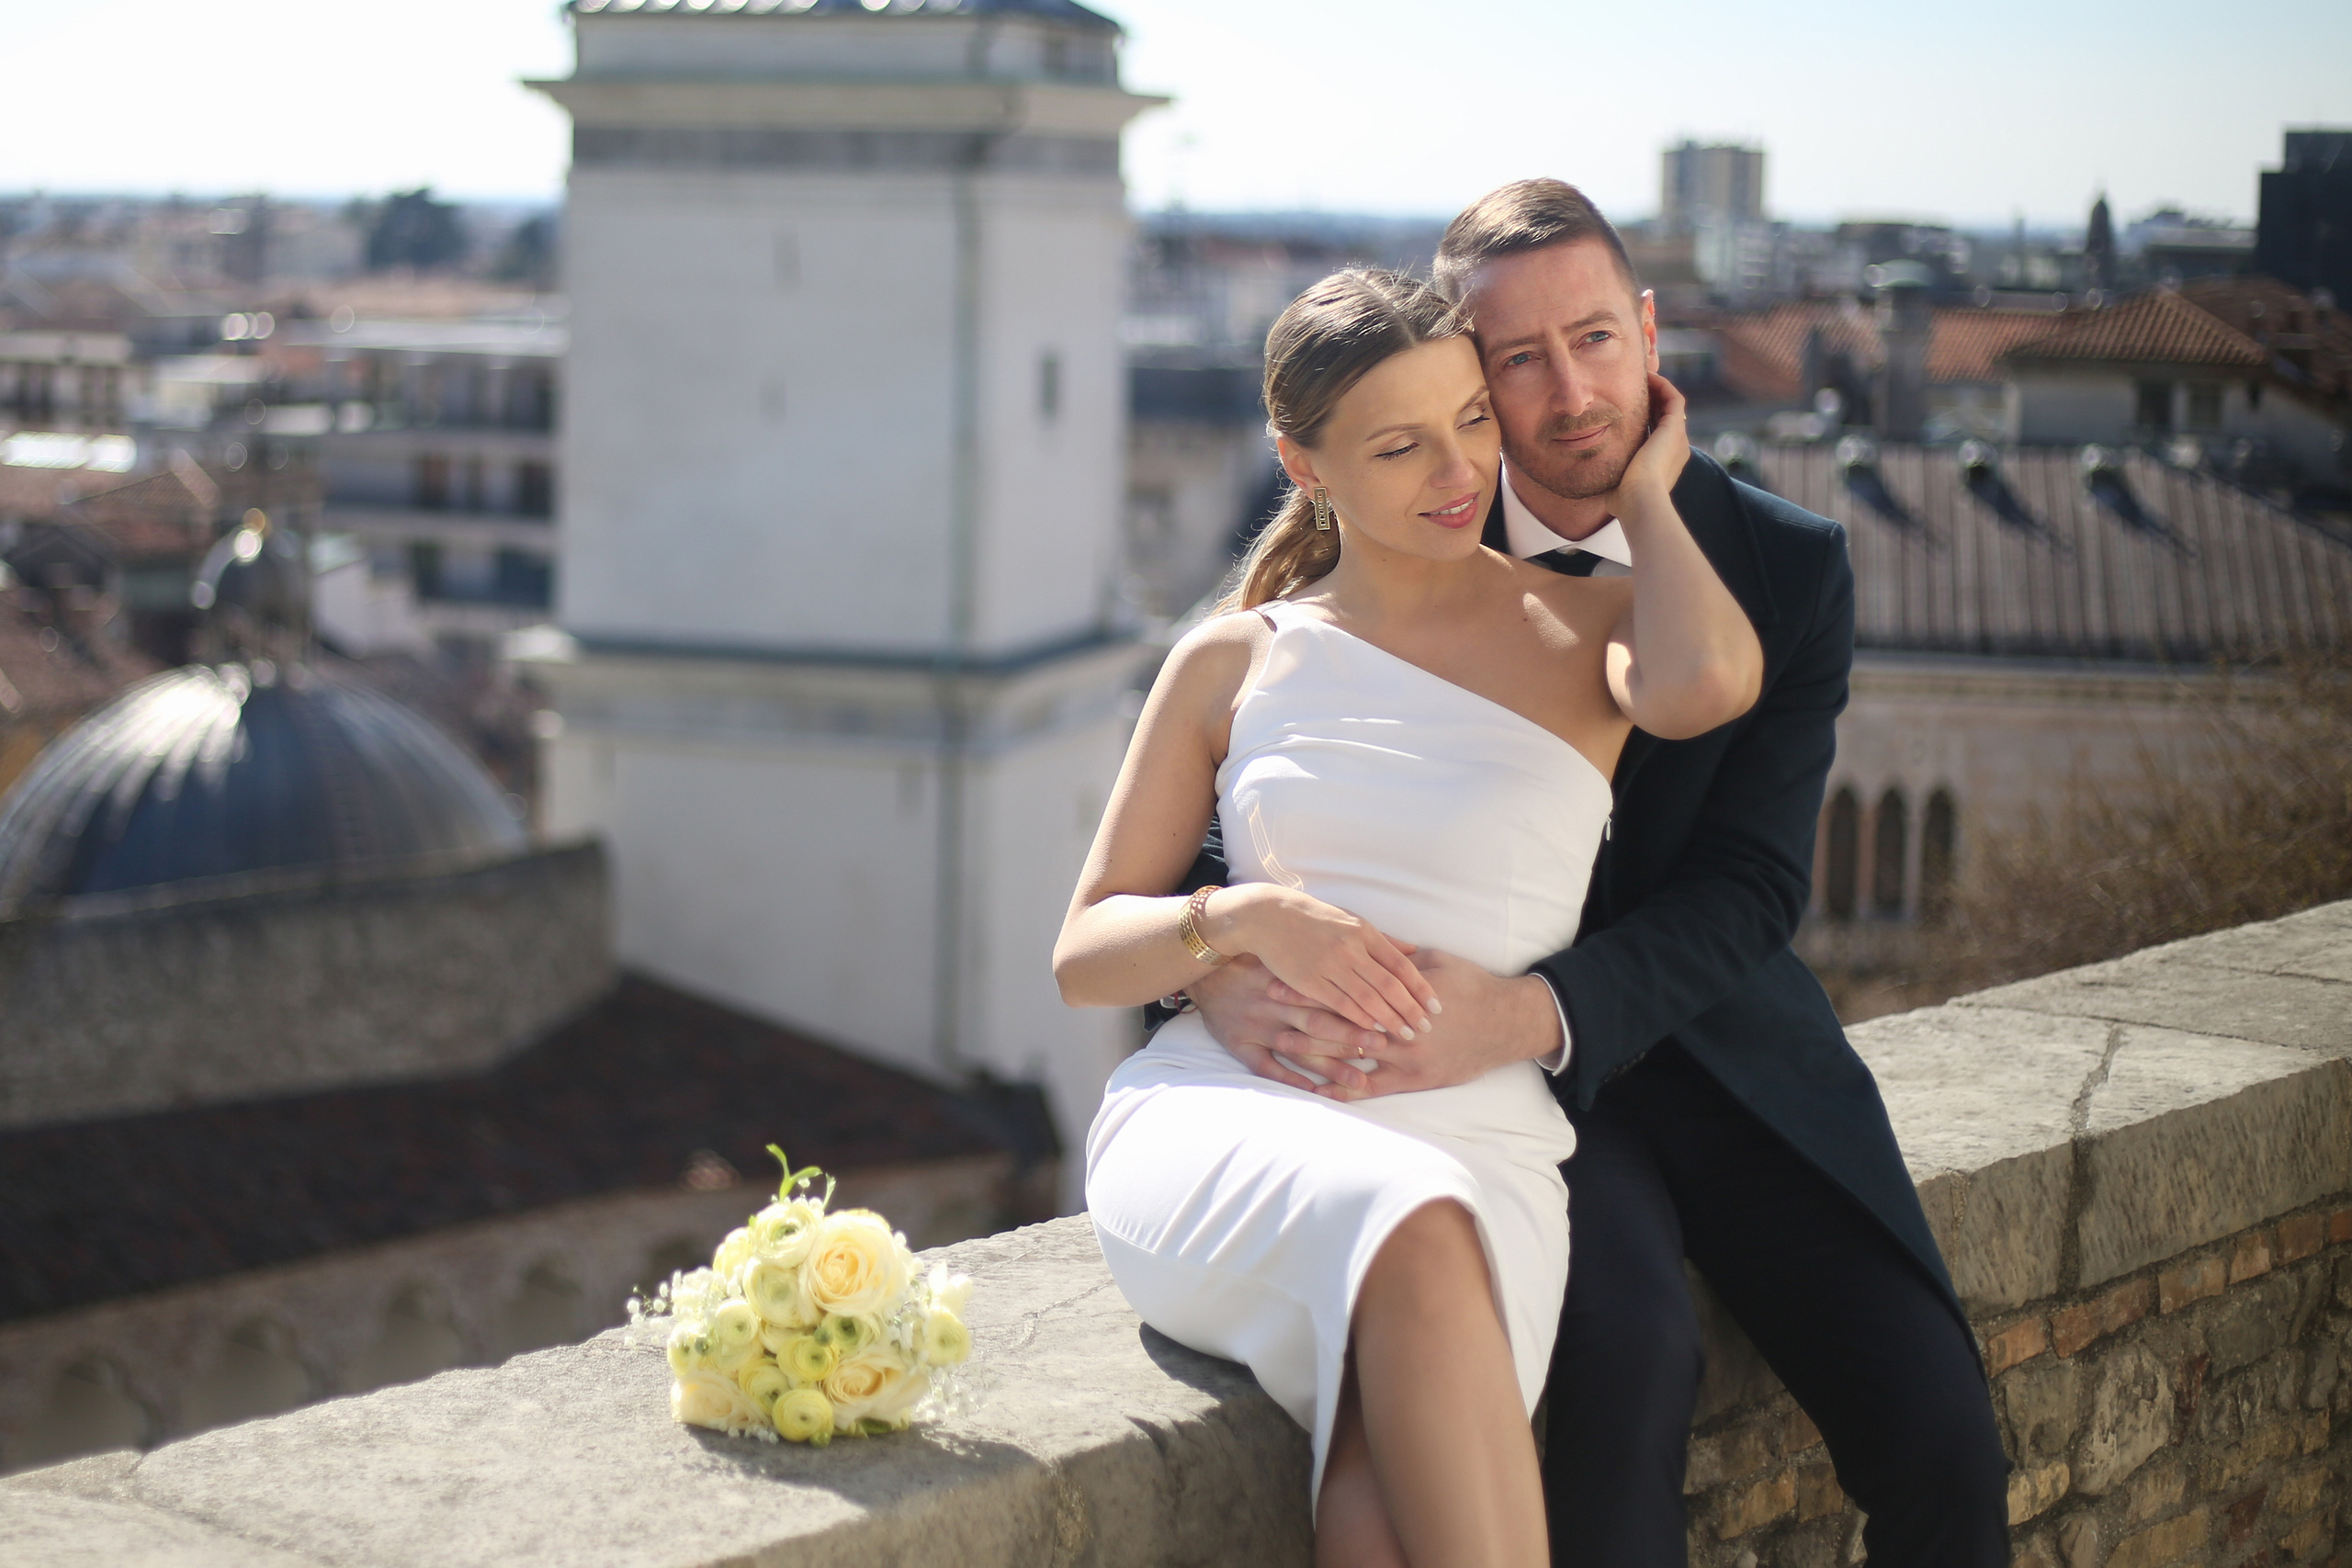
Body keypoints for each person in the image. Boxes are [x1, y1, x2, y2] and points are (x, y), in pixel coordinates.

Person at [1175, 180, 2013, 1565]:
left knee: (1943, 1440)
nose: (1569, 392)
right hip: (1492, 1091)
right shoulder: (1399, 527)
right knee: (1626, 1389)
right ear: (1465, 380)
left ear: (1649, 331)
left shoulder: (1789, 568)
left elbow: (1751, 887)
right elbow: (1246, 816)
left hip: (1724, 1055)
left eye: (1595, 340)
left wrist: (1649, 505)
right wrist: (1206, 995)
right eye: (1518, 360)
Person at [1056, 267, 1762, 1568]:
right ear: (1302, 462)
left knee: (1384, 1484)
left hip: (1486, 1135)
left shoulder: (1592, 621)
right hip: (1231, 1118)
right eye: (1400, 444)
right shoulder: (1236, 657)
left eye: (1471, 420)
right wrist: (1248, 918)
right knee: (1409, 1221)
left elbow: (1716, 681)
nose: (1457, 469)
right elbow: (1086, 954)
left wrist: (1647, 494)